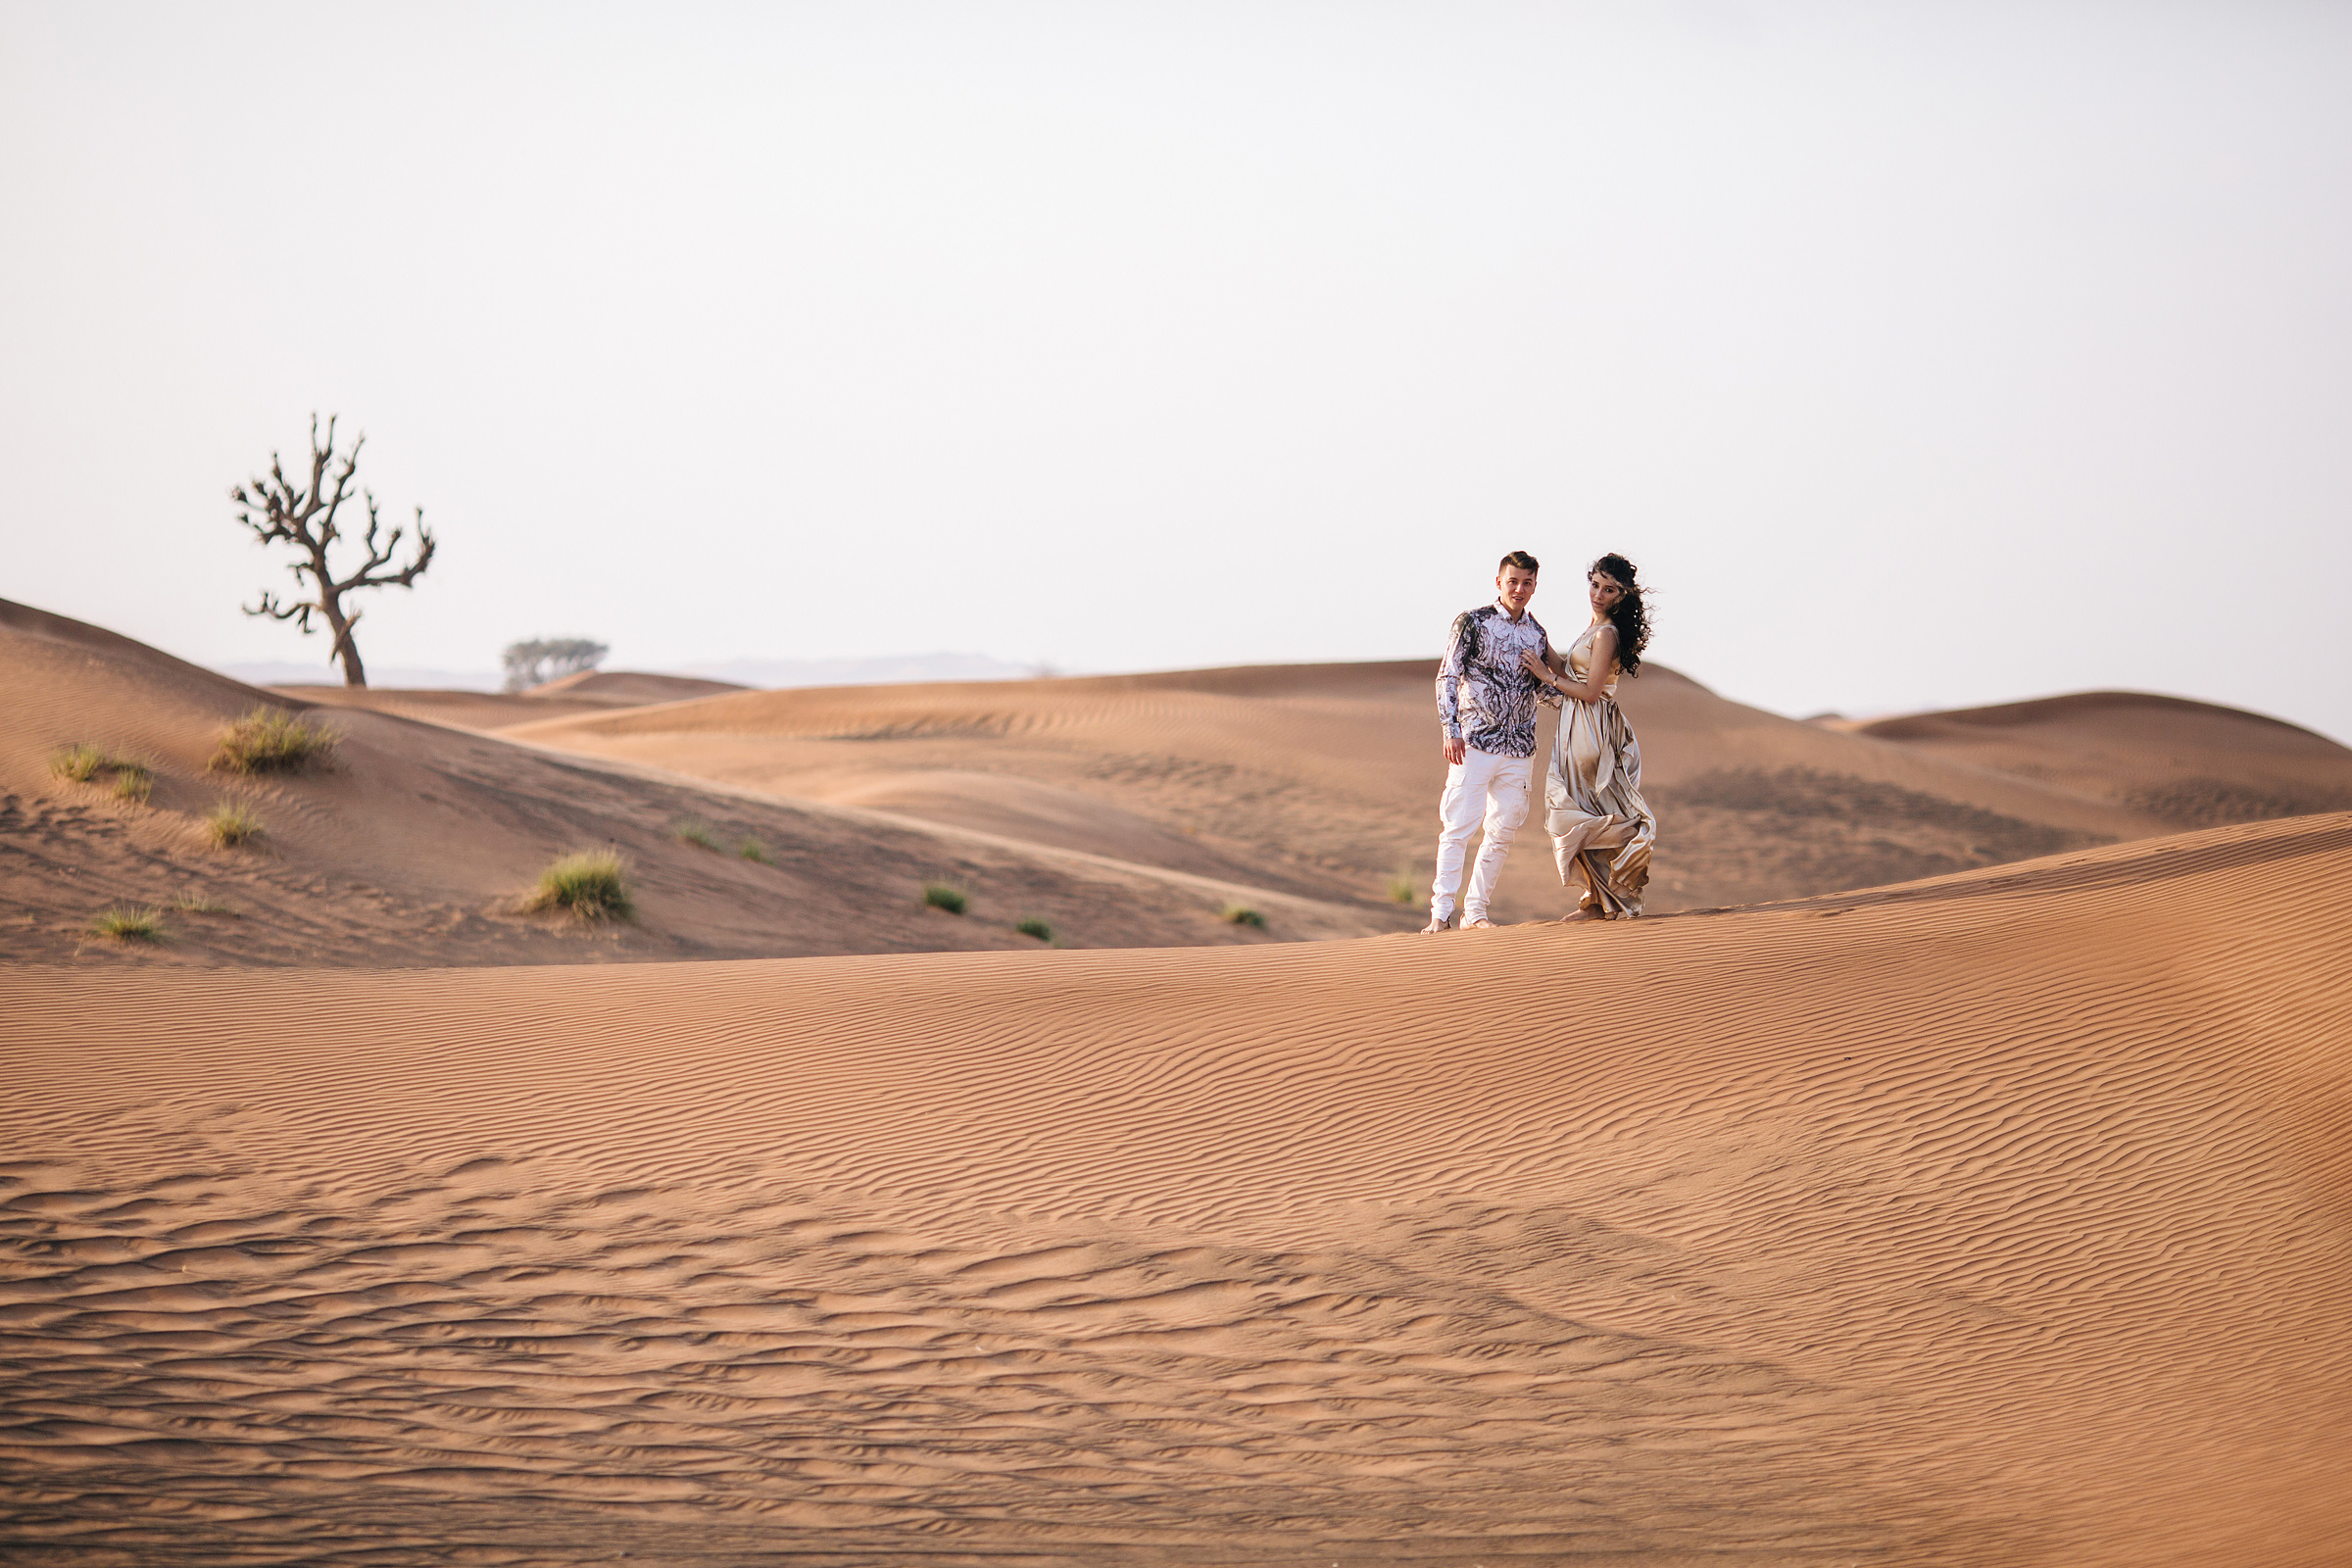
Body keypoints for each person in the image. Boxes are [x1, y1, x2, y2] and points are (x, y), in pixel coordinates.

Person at [1519, 552, 1656, 919]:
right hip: (1575, 725)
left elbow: (1591, 691)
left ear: (1621, 596)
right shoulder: (1594, 629)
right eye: (1595, 585)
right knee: (1580, 809)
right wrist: (1542, 642)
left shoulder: (1608, 634)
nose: (1598, 594)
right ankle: (1599, 901)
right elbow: (1570, 672)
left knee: (1579, 811)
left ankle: (1612, 892)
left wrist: (1546, 676)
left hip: (1590, 728)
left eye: (1608, 589)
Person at [1424, 551, 1552, 932]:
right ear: (1499, 582)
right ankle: (1441, 914)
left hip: (1519, 750)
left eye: (1527, 582)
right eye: (1513, 581)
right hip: (1474, 743)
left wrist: (1560, 685)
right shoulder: (1473, 622)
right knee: (1458, 828)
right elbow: (1447, 675)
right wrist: (1451, 729)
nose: (1519, 589)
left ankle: (1476, 912)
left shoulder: (1537, 634)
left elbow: (1543, 691)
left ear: (1534, 586)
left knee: (1501, 834)